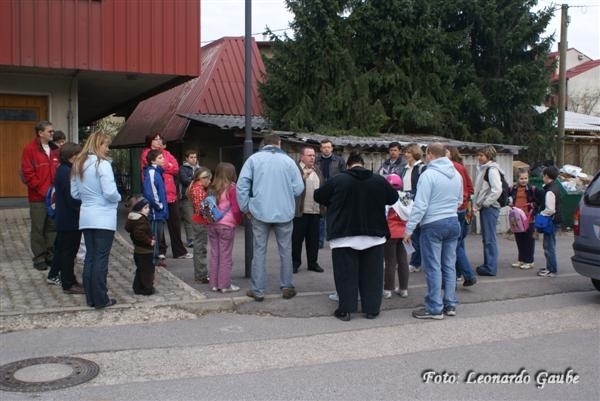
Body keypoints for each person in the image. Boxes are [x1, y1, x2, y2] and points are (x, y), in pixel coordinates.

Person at [314, 151, 398, 321]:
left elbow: (318, 196)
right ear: (363, 165)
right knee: (372, 275)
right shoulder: (378, 180)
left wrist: (334, 201)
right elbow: (393, 198)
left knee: (346, 274)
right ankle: (372, 309)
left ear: (348, 166)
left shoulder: (338, 180)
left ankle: (346, 310)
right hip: (374, 235)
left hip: (344, 235)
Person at [237, 134, 304, 302]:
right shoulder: (289, 162)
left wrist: (245, 207)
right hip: (284, 212)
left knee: (259, 251)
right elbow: (298, 188)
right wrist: (286, 194)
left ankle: (258, 290)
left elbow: (242, 185)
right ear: (279, 144)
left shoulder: (253, 160)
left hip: (260, 211)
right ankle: (287, 286)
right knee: (286, 250)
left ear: (263, 144)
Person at [404, 143, 462, 320]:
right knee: (449, 265)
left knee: (433, 266)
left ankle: (434, 307)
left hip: (433, 223)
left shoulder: (428, 174)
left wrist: (409, 228)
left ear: (429, 154)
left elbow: (420, 205)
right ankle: (450, 303)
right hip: (453, 221)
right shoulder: (456, 174)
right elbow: (459, 200)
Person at [70, 131, 121, 309]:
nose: (107, 149)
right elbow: (110, 192)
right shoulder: (102, 164)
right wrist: (118, 198)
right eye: (105, 145)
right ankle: (101, 298)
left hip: (86, 215)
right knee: (101, 258)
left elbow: (74, 193)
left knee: (90, 257)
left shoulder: (78, 163)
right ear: (98, 145)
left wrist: (89, 199)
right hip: (103, 216)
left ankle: (91, 298)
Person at [141, 134, 191, 260]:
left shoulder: (167, 153)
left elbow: (176, 168)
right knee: (158, 223)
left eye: (160, 139)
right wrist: (168, 166)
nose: (159, 141)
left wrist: (166, 166)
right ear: (150, 141)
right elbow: (155, 167)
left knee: (175, 223)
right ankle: (160, 250)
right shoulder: (147, 153)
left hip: (171, 194)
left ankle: (179, 251)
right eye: (156, 139)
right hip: (158, 195)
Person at [20, 120, 60, 271]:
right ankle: (39, 257)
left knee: (52, 227)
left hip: (54, 198)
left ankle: (50, 255)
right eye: (50, 131)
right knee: (38, 228)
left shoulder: (55, 149)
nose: (52, 133)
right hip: (38, 198)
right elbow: (27, 173)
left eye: (52, 131)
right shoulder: (29, 149)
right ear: (40, 133)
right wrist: (43, 190)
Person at [47, 143, 85, 294]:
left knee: (66, 251)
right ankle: (68, 283)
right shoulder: (67, 172)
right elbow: (72, 198)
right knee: (68, 253)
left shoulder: (64, 169)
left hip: (66, 218)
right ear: (72, 156)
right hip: (70, 219)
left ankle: (69, 280)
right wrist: (83, 208)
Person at [206, 163, 243, 292]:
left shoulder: (212, 187)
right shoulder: (232, 188)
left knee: (215, 254)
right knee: (225, 256)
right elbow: (236, 209)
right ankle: (224, 285)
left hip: (212, 225)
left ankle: (214, 284)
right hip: (227, 225)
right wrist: (238, 221)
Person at [446, 146, 477, 287]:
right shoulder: (461, 167)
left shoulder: (451, 168)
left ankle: (468, 274)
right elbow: (470, 188)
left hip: (455, 209)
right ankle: (458, 272)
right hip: (463, 208)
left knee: (455, 244)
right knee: (459, 242)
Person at [292, 146, 325, 273]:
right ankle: (295, 263)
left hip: (315, 211)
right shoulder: (295, 170)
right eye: (309, 155)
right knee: (297, 240)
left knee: (313, 240)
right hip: (300, 212)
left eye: (313, 155)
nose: (312, 158)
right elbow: (291, 187)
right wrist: (302, 178)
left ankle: (313, 263)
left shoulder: (317, 169)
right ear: (302, 156)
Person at [473, 145, 503, 277]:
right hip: (488, 207)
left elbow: (497, 189)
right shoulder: (485, 168)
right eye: (478, 155)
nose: (479, 158)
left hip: (490, 207)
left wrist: (485, 203)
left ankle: (490, 267)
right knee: (487, 238)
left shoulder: (491, 170)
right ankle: (488, 265)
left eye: (482, 155)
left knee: (489, 238)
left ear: (489, 156)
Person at [400, 143, 426, 273]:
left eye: (409, 152)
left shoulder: (422, 168)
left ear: (415, 153)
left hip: (416, 204)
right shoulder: (404, 168)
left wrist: (409, 195)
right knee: (410, 234)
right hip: (406, 204)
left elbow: (421, 188)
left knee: (416, 235)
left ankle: (415, 263)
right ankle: (411, 261)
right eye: (405, 152)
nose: (406, 154)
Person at [315, 139, 346, 248]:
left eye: (328, 147)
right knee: (321, 216)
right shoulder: (316, 160)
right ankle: (320, 241)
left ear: (332, 148)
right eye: (324, 147)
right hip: (321, 189)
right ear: (321, 149)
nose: (326, 149)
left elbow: (344, 175)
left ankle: (335, 238)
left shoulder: (339, 160)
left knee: (335, 216)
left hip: (335, 190)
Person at [383, 174, 409, 299]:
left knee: (390, 261)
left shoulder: (386, 196)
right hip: (404, 232)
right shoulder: (406, 197)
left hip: (390, 232)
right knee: (403, 261)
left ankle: (388, 289)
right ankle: (404, 289)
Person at [142, 149, 169, 267]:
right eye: (160, 158)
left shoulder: (157, 172)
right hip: (155, 212)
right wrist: (160, 206)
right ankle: (152, 259)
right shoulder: (152, 173)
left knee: (157, 236)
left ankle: (155, 258)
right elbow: (151, 193)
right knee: (154, 236)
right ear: (153, 161)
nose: (163, 159)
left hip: (159, 212)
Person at [125, 196, 156, 295]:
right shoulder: (141, 220)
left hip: (139, 250)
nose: (148, 210)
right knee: (147, 270)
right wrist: (149, 241)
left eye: (148, 207)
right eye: (145, 208)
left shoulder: (135, 219)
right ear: (139, 209)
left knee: (141, 269)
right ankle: (147, 288)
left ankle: (138, 287)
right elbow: (139, 234)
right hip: (145, 251)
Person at [509, 168, 538, 270]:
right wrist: (509, 203)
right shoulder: (513, 189)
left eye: (526, 178)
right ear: (517, 179)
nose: (524, 180)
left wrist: (534, 207)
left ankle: (529, 261)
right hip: (517, 218)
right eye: (521, 178)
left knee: (529, 240)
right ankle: (521, 259)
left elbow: (539, 201)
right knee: (519, 239)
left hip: (529, 218)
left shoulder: (532, 189)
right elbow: (508, 197)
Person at [188, 167, 212, 283]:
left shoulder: (195, 187)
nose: (210, 182)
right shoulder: (198, 189)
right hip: (200, 221)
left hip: (198, 220)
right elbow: (201, 209)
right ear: (203, 178)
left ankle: (201, 274)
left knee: (199, 247)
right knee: (200, 248)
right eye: (209, 179)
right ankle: (201, 275)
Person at [537, 166, 561, 278]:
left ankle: (551, 269)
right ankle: (550, 267)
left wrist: (541, 214)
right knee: (550, 244)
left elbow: (550, 209)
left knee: (548, 246)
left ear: (546, 176)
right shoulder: (555, 187)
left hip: (551, 221)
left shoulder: (550, 191)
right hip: (555, 220)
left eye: (543, 175)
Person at [179, 149, 200, 247]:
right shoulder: (182, 168)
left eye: (195, 157)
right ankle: (190, 239)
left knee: (198, 219)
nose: (194, 159)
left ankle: (197, 238)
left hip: (198, 197)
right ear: (186, 158)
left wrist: (193, 180)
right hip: (186, 197)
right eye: (191, 157)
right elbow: (185, 180)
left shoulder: (199, 168)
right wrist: (196, 180)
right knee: (189, 219)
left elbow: (205, 180)